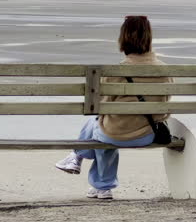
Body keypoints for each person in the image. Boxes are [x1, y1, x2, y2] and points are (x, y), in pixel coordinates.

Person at [55, 15, 172, 200]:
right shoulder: (164, 70)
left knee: (99, 127)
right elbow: (164, 108)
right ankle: (98, 184)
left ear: (123, 38)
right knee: (102, 129)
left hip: (115, 134)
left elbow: (99, 106)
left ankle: (80, 160)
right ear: (149, 38)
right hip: (147, 135)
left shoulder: (115, 72)